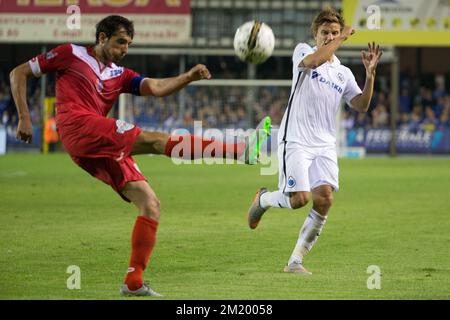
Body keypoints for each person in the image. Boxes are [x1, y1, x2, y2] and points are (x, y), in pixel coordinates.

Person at [10, 15, 270, 297]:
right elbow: (18, 72)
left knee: (150, 204)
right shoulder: (70, 53)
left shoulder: (118, 74)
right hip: (78, 126)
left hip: (95, 145)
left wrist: (188, 77)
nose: (125, 49)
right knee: (156, 141)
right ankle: (240, 150)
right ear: (101, 38)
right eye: (120, 42)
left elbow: (156, 88)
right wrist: (25, 117)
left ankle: (133, 282)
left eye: (129, 44)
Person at [247, 7, 382, 275]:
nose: (330, 36)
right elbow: (313, 62)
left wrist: (370, 75)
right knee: (299, 199)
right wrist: (342, 37)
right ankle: (263, 200)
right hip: (296, 138)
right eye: (325, 33)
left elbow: (361, 105)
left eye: (334, 32)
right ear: (316, 34)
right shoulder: (303, 51)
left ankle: (295, 261)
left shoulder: (343, 73)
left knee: (324, 200)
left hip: (324, 144)